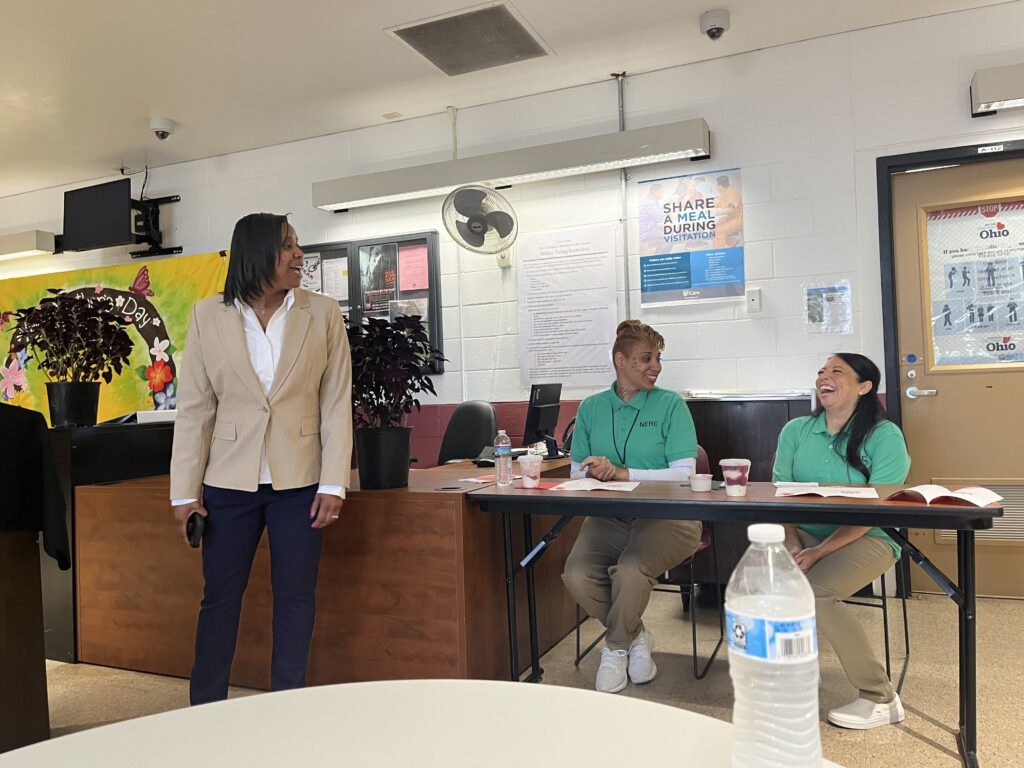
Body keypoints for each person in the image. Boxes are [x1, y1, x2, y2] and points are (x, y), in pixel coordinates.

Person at [170, 213, 352, 705]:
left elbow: (335, 403)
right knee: (220, 601)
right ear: (255, 255)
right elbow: (195, 408)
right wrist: (185, 493)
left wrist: (333, 484)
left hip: (301, 484)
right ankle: (205, 709)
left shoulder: (324, 312)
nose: (299, 255)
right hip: (229, 482)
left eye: (297, 245)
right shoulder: (208, 315)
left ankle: (285, 708)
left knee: (295, 600)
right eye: (288, 246)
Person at [772, 352, 910, 730]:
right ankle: (801, 666)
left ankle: (880, 696)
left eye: (837, 371)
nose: (824, 377)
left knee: (815, 591)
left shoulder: (885, 437)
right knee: (759, 573)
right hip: (802, 533)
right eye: (820, 371)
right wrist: (792, 542)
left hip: (870, 535)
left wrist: (818, 552)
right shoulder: (796, 431)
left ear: (865, 387)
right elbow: (780, 493)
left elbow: (874, 511)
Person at [562, 320, 701, 693]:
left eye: (658, 358)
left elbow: (685, 474)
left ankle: (615, 649)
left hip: (671, 516)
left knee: (629, 569)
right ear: (620, 360)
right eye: (645, 358)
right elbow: (577, 470)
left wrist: (621, 473)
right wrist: (592, 469)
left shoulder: (671, 405)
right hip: (612, 514)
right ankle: (637, 636)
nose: (655, 366)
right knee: (576, 574)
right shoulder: (591, 408)